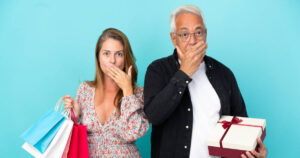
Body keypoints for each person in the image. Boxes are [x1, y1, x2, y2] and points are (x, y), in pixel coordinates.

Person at [144, 5, 267, 158]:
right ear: (173, 38)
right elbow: (154, 116)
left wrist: (254, 149)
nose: (193, 40)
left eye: (198, 32)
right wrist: (184, 72)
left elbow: (241, 123)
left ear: (206, 34)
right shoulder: (158, 70)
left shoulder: (224, 73)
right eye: (184, 34)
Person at [63, 28, 149, 158]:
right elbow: (74, 139)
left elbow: (132, 133)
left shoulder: (138, 94)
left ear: (126, 58)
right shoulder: (85, 90)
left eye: (119, 54)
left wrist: (127, 91)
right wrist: (76, 115)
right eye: (106, 53)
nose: (112, 60)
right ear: (98, 57)